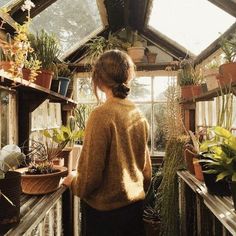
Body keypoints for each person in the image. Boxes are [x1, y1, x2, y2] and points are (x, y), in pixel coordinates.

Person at [63, 49, 152, 236]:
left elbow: (89, 179)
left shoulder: (101, 115)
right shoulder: (138, 115)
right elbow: (147, 172)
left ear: (99, 79)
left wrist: (73, 181)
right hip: (134, 213)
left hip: (106, 220)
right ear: (128, 77)